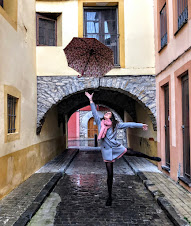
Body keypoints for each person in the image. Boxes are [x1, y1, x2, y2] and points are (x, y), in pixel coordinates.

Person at [85, 92, 161, 206]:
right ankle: (109, 196)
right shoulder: (100, 124)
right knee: (110, 174)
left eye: (109, 113)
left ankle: (151, 157)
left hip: (116, 147)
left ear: (112, 116)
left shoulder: (116, 124)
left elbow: (128, 124)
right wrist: (91, 100)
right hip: (106, 151)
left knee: (133, 152)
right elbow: (94, 112)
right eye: (106, 112)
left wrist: (141, 125)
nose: (107, 113)